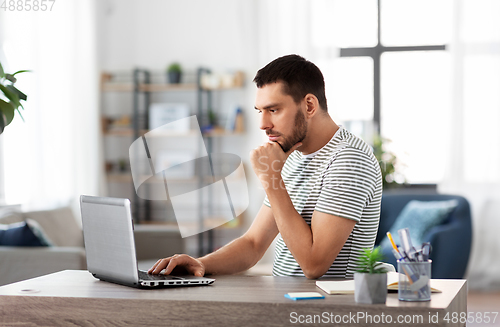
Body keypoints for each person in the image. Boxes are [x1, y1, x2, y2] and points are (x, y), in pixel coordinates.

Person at [149, 54, 382, 279]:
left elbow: (313, 265)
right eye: (260, 111)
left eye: (274, 110)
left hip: (328, 310)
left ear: (310, 105)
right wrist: (201, 263)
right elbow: (254, 243)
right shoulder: (290, 154)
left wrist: (271, 178)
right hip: (287, 300)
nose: (263, 124)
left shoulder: (350, 160)